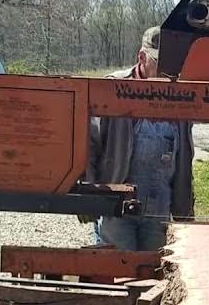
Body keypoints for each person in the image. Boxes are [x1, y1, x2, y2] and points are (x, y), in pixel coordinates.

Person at [84, 27, 195, 251]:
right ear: (142, 57)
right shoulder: (112, 89)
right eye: (161, 64)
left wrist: (184, 209)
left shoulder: (182, 95)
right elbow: (90, 147)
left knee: (154, 274)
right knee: (117, 273)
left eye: (173, 66)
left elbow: (184, 159)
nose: (168, 72)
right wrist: (89, 197)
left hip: (160, 208)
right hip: (116, 207)